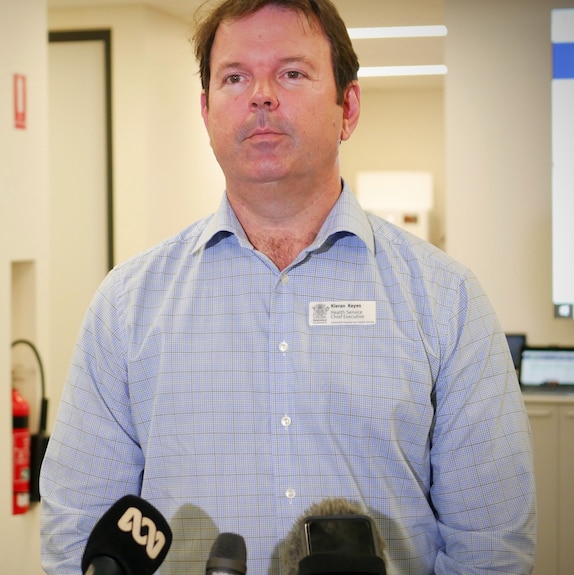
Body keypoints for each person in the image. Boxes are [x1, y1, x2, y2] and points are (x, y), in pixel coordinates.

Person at [40, 0, 536, 573]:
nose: (261, 96)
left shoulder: (447, 301)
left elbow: (490, 545)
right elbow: (76, 528)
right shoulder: (125, 307)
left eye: (292, 73)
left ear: (347, 108)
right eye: (234, 77)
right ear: (205, 112)